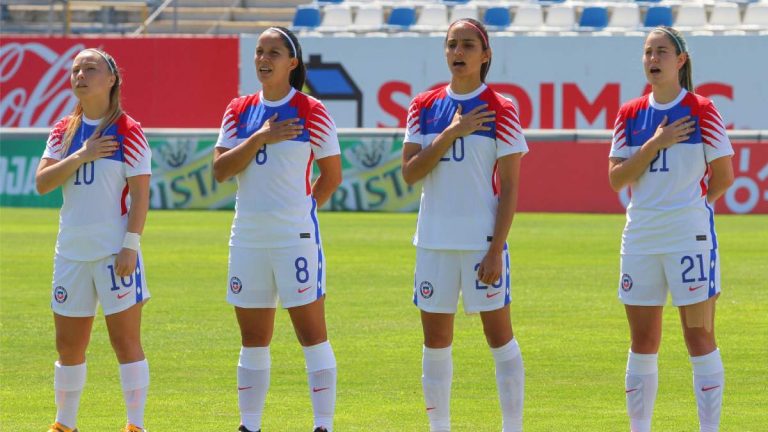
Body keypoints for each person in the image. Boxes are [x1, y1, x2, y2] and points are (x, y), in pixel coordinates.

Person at [212, 26, 342, 432]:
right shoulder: (238, 110)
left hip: (294, 239)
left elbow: (332, 176)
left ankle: (323, 424)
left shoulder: (312, 110)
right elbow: (220, 170)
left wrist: (301, 214)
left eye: (273, 52)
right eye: (258, 51)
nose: (263, 59)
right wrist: (260, 138)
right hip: (247, 238)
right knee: (253, 339)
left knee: (312, 334)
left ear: (292, 62)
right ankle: (249, 424)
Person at [401, 19, 528, 432]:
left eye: (468, 45)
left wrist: (495, 249)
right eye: (452, 44)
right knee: (435, 343)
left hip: (480, 242)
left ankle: (512, 427)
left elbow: (510, 187)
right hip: (433, 242)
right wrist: (451, 132)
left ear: (485, 54)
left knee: (499, 337)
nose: (458, 52)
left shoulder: (501, 107)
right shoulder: (423, 105)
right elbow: (410, 173)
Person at [608, 26, 735, 432]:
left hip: (688, 239)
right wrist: (654, 145)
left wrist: (691, 209)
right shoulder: (629, 114)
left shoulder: (702, 109)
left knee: (699, 338)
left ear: (680, 60)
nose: (653, 59)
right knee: (643, 342)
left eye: (661, 52)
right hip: (641, 239)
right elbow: (616, 179)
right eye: (648, 52)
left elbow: (724, 176)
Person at [36, 48, 152, 432]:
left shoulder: (129, 131)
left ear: (111, 79)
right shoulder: (63, 131)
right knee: (68, 347)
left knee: (125, 343)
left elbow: (141, 195)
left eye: (90, 68)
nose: (80, 75)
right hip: (71, 253)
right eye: (75, 69)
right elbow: (43, 183)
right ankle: (64, 424)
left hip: (113, 253)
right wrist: (81, 155)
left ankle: (135, 424)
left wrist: (130, 245)